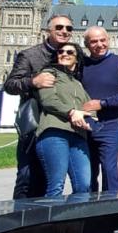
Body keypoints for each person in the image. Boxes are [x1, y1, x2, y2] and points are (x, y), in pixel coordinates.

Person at [4, 14, 74, 199]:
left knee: (48, 178)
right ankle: (19, 222)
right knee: (26, 177)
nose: (64, 31)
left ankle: (41, 222)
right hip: (34, 126)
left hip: (57, 126)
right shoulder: (30, 55)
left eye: (68, 28)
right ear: (47, 31)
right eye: (59, 27)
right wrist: (33, 81)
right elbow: (10, 85)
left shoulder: (72, 56)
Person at [80, 26, 118, 192]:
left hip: (110, 124)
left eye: (102, 40)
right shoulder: (81, 65)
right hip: (85, 124)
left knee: (109, 169)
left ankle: (111, 207)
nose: (99, 44)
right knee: (87, 172)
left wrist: (102, 103)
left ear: (109, 40)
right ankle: (88, 208)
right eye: (94, 41)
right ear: (86, 44)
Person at [34, 42, 93, 197]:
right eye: (61, 51)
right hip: (55, 132)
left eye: (69, 52)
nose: (64, 54)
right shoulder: (49, 73)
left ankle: (74, 220)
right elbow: (48, 100)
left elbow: (89, 107)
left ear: (77, 58)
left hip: (78, 136)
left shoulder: (78, 83)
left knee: (84, 185)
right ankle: (50, 221)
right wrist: (72, 112)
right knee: (56, 185)